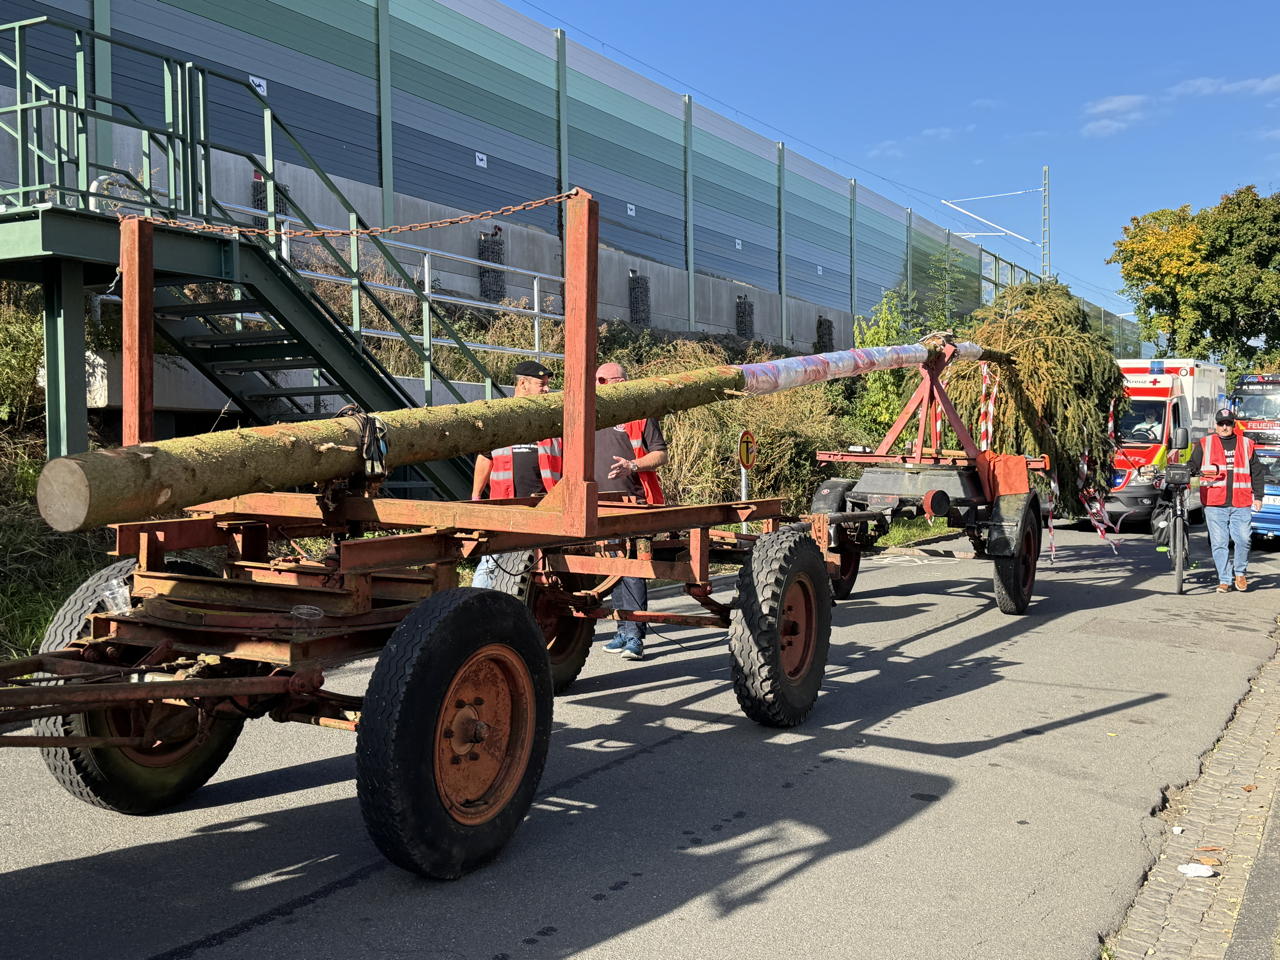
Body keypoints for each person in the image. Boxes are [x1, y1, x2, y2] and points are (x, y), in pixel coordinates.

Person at [593, 362, 669, 661]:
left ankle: (635, 636)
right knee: (613, 567)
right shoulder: (592, 414)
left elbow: (660, 454)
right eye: (596, 380)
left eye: (603, 380)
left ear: (620, 382)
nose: (598, 385)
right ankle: (622, 631)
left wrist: (633, 465)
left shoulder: (640, 413)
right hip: (601, 505)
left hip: (635, 503)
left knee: (633, 569)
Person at [470, 360, 561, 589]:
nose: (547, 389)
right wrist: (476, 496)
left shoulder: (550, 418)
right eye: (542, 384)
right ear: (523, 384)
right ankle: (477, 601)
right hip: (506, 503)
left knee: (533, 564)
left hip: (543, 504)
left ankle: (515, 603)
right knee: (492, 561)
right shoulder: (502, 417)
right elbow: (485, 457)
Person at [1188, 408, 1264, 593]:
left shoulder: (1246, 444)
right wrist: (1184, 472)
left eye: (1228, 423)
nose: (1224, 427)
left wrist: (1258, 496)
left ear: (1233, 424)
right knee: (1219, 543)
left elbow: (1257, 472)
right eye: (1221, 424)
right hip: (1214, 502)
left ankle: (1240, 573)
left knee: (1244, 539)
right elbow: (1192, 465)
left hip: (1241, 502)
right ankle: (1225, 580)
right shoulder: (1205, 443)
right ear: (1216, 425)